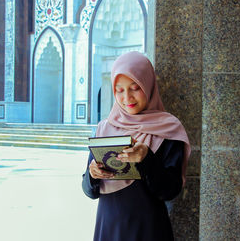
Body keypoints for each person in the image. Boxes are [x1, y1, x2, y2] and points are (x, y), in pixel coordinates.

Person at [82, 51, 191, 241]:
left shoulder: (168, 129)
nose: (127, 97)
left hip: (149, 230)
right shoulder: (105, 127)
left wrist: (146, 158)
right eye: (119, 90)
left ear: (148, 85)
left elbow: (170, 190)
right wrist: (92, 175)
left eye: (135, 87)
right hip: (109, 227)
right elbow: (89, 191)